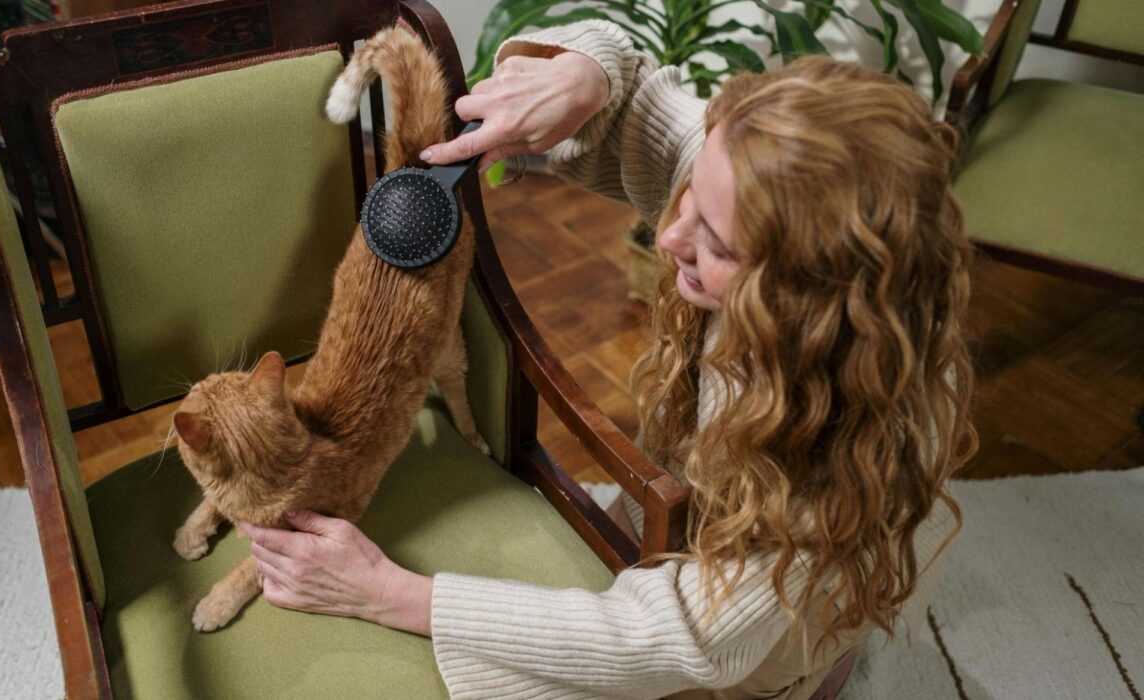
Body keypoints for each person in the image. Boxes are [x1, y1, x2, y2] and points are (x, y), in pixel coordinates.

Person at [237, 20, 977, 699]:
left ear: (809, 296)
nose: (668, 235)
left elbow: (683, 635)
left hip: (740, 631)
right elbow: (640, 104)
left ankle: (805, 674)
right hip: (694, 518)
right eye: (688, 197)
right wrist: (589, 71)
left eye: (716, 244)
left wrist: (388, 592)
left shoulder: (830, 467)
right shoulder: (750, 176)